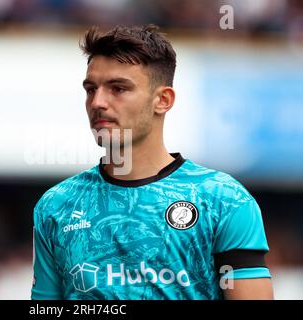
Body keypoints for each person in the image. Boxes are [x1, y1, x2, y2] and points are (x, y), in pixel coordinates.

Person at [31, 24, 273, 300]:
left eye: (118, 89)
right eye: (90, 89)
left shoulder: (224, 200)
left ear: (163, 100)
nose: (97, 102)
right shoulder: (56, 206)